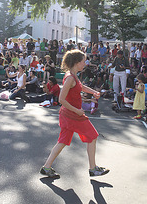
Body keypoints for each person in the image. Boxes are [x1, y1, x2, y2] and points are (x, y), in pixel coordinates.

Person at [40, 49, 109, 178]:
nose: (85, 63)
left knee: (62, 141)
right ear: (77, 62)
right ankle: (93, 169)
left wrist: (93, 92)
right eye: (83, 61)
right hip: (73, 115)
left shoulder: (72, 75)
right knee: (93, 136)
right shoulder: (70, 77)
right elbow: (61, 99)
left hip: (68, 115)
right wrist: (77, 110)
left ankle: (46, 167)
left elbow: (80, 87)